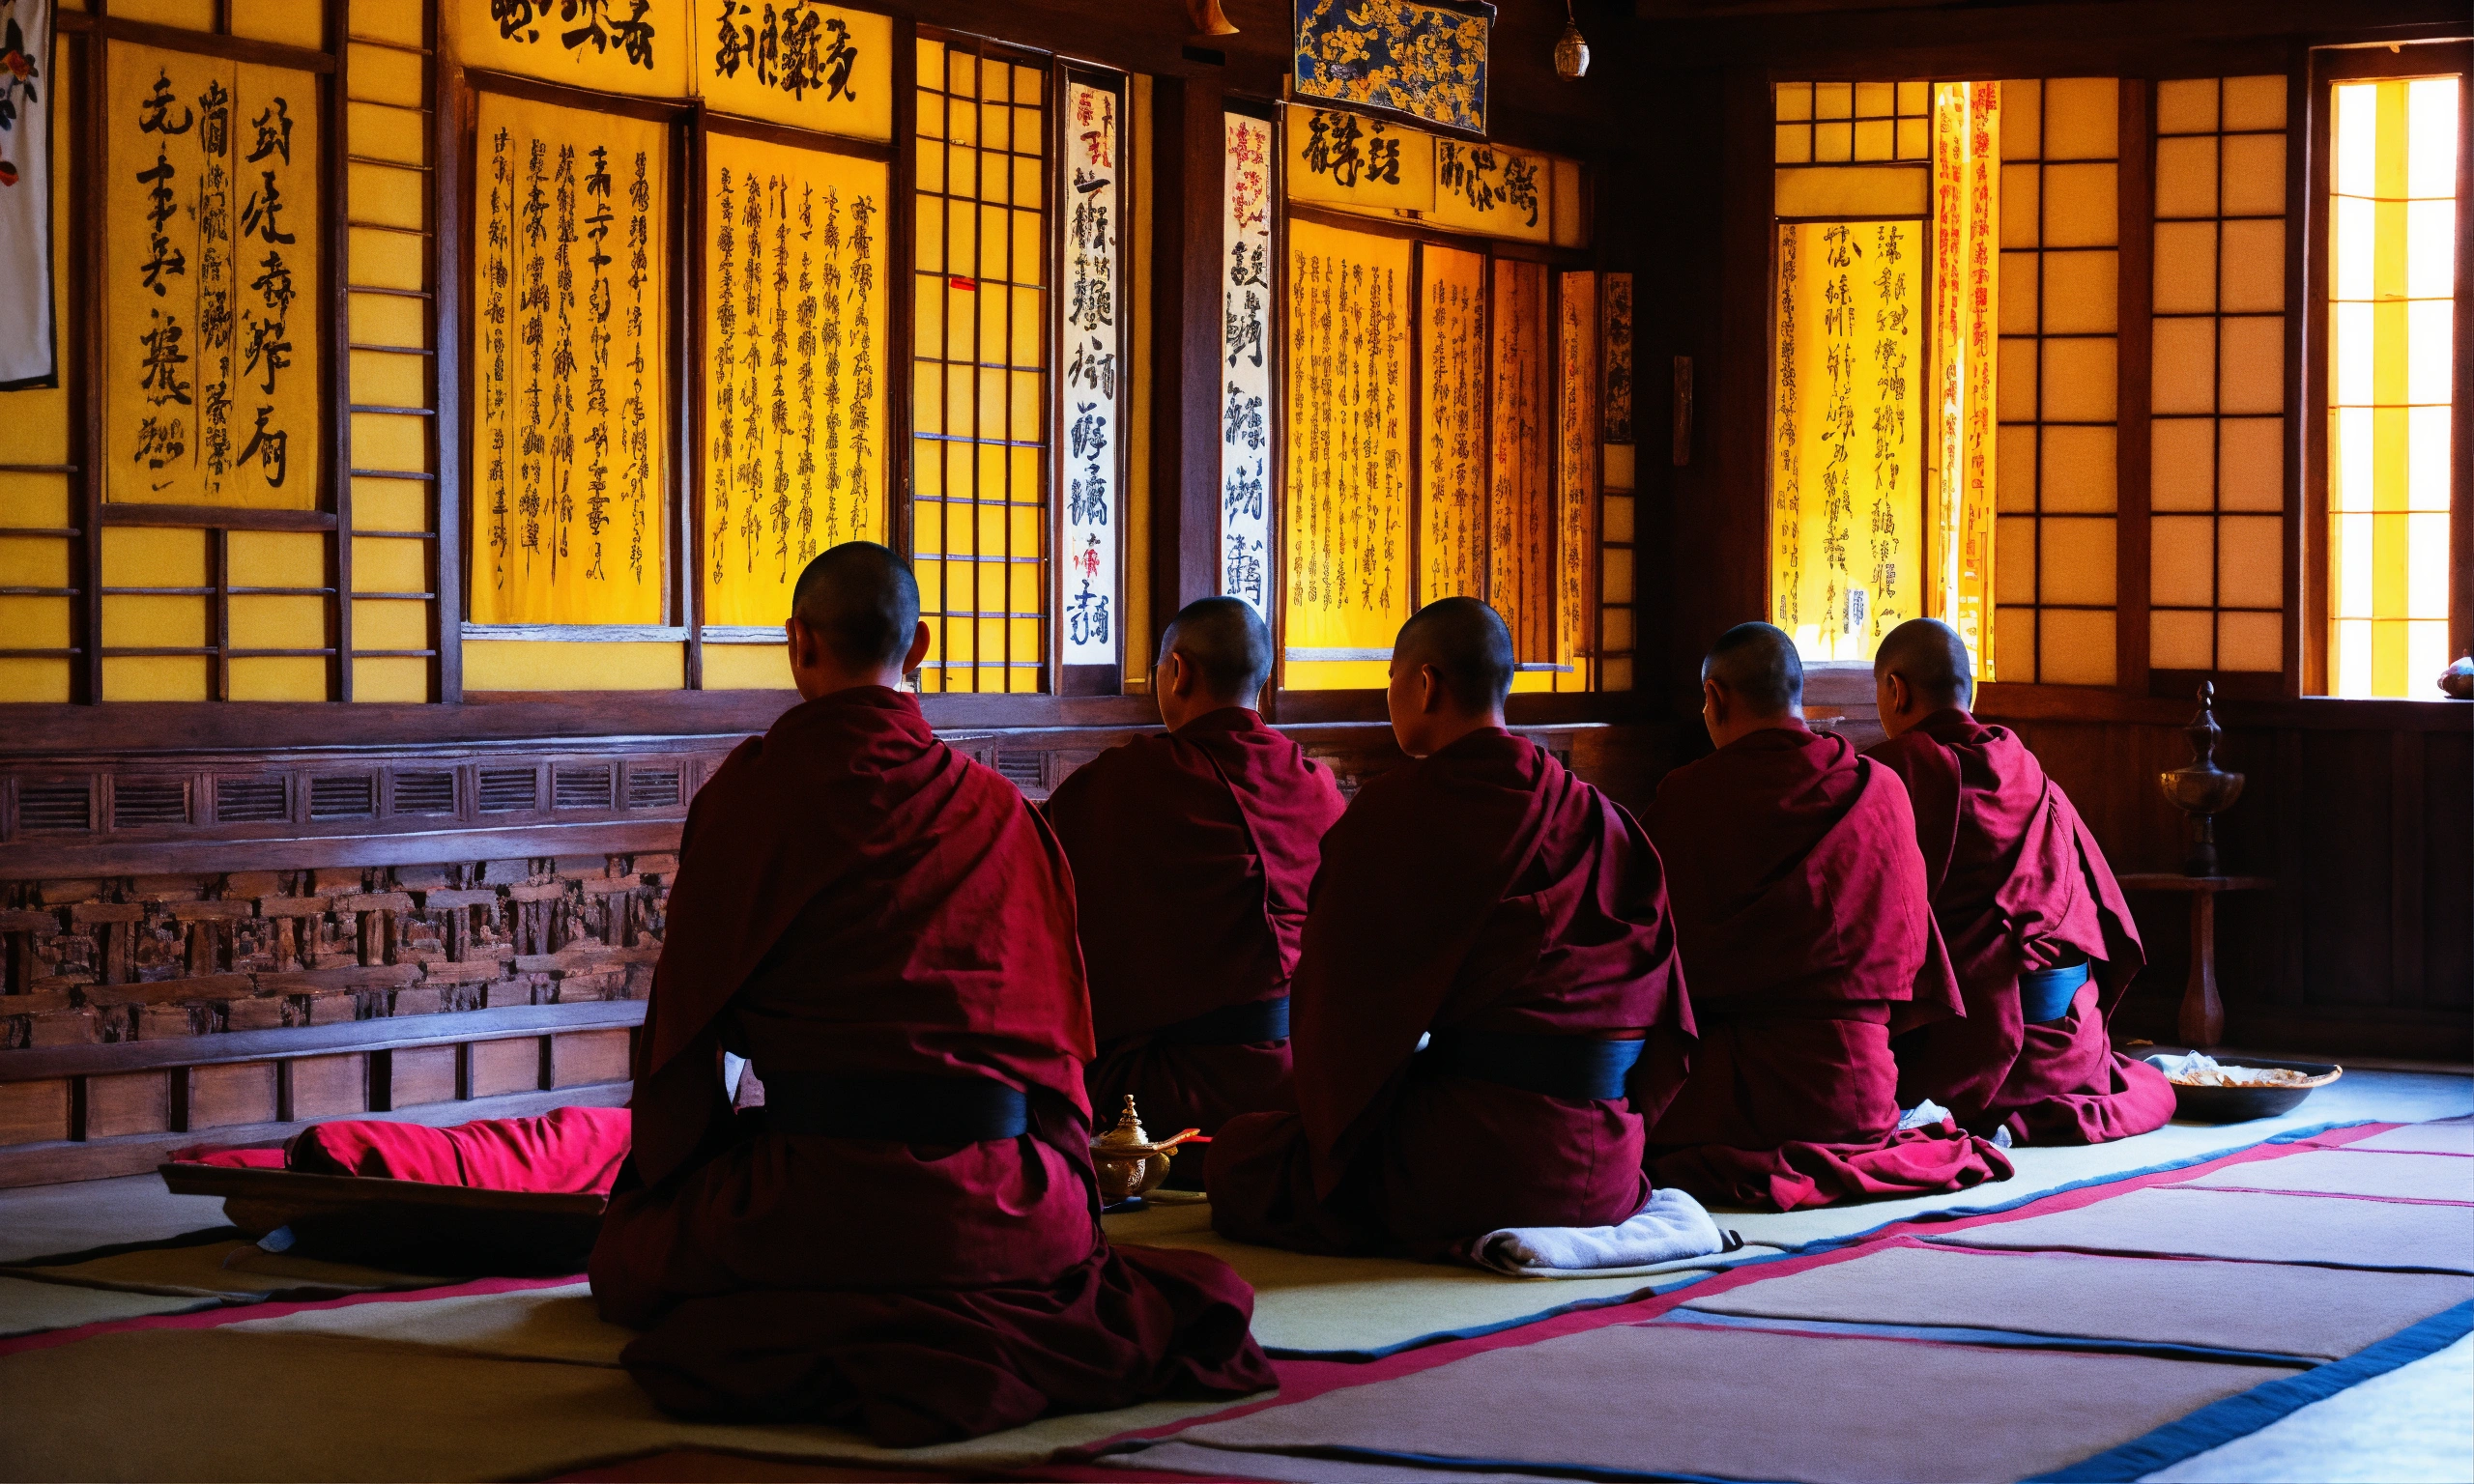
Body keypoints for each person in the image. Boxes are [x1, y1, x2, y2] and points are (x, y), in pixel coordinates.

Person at [589, 543, 1274, 1446]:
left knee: (631, 1252)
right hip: (1004, 1201)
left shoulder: (749, 800)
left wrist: (680, 1172)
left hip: (815, 1197)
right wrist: (1063, 1184)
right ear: (920, 651)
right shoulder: (1000, 810)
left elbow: (685, 1046)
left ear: (799, 647)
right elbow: (1063, 1045)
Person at [1206, 598, 1694, 1257]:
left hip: (1479, 1158)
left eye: (1392, 682)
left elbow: (1336, 1007)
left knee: (1242, 1160)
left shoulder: (1398, 813)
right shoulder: (1599, 815)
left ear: (1425, 684)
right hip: (1607, 1159)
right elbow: (1664, 1005)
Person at [1642, 622, 2011, 1212]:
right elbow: (1912, 945)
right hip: (1860, 1096)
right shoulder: (1878, 788)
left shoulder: (1686, 796)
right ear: (1798, 694)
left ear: (1713, 698)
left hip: (1730, 1097)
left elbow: (1652, 953)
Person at [1045, 597, 1347, 1138]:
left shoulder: (1129, 783)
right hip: (1309, 1082)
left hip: (1173, 1090)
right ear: (1262, 679)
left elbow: (1048, 901)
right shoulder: (1315, 784)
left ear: (1177, 672)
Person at [1869, 618, 2176, 1144]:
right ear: (1972, 691)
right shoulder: (2030, 772)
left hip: (1958, 1047)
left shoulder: (1890, 777)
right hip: (2064, 1045)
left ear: (1896, 691)